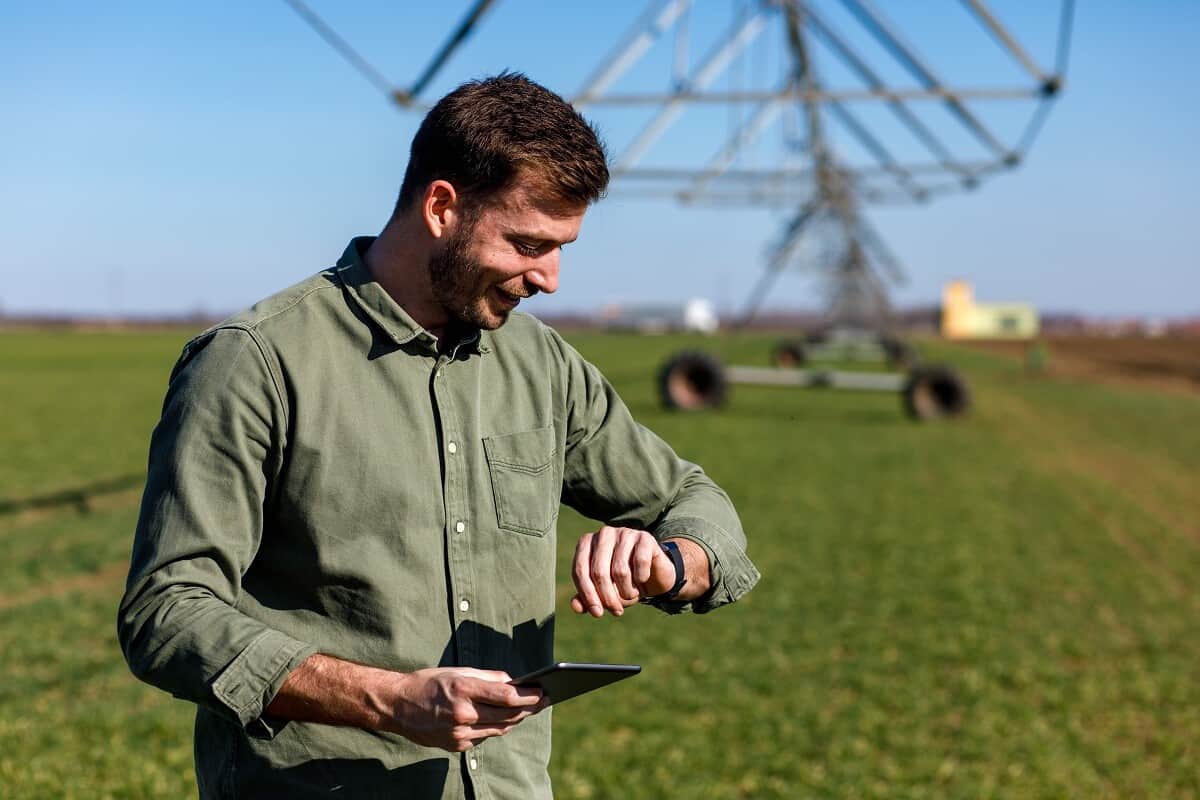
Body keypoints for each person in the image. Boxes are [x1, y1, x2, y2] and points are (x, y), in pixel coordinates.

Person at [118, 72, 759, 799]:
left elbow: (695, 500)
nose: (549, 277)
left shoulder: (542, 365)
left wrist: (670, 559)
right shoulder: (255, 362)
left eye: (561, 247)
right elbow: (167, 612)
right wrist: (389, 700)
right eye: (526, 243)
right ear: (443, 206)